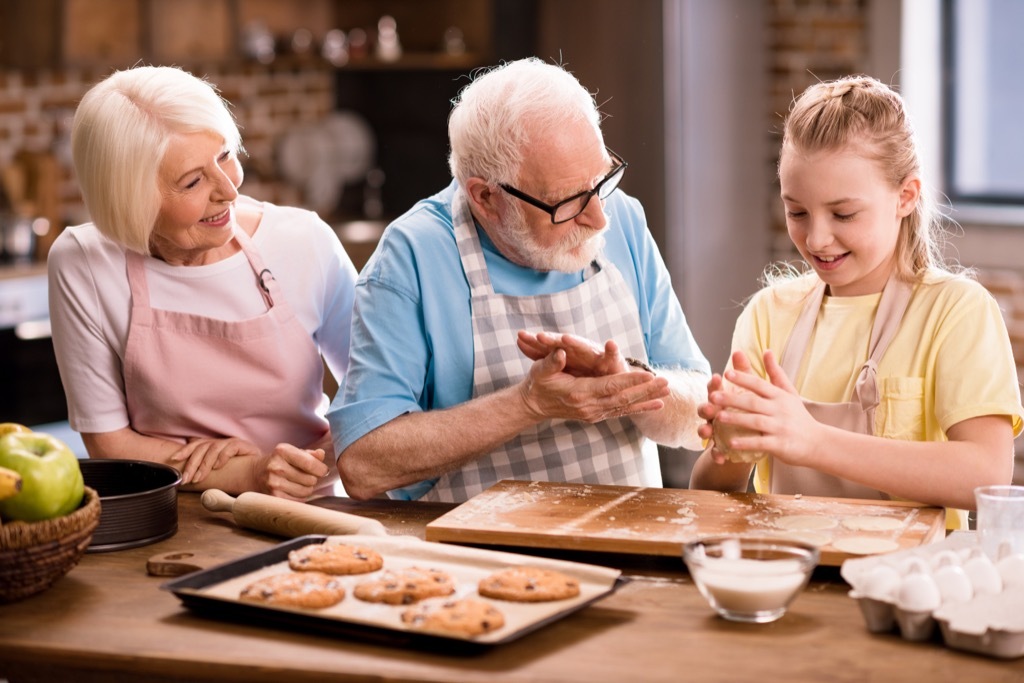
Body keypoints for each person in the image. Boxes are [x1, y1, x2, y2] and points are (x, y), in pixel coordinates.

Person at [328, 58, 711, 503]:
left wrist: (629, 385)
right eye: (566, 203)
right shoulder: (413, 257)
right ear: (486, 198)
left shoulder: (621, 216)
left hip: (625, 542)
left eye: (601, 180)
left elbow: (703, 411)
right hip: (479, 560)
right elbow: (362, 464)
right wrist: (527, 404)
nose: (599, 218)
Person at [689, 75, 1024, 528]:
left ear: (905, 196)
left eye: (843, 213)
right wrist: (730, 450)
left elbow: (986, 474)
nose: (816, 237)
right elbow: (710, 499)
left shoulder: (955, 311)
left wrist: (814, 441)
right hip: (787, 569)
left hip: (907, 583)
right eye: (797, 212)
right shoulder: (768, 315)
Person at [48, 65, 357, 499]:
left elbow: (378, 398)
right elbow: (108, 443)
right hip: (168, 517)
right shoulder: (83, 263)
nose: (228, 190)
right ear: (131, 200)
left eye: (226, 155)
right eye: (192, 181)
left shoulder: (304, 241)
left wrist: (304, 467)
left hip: (307, 510)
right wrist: (245, 473)